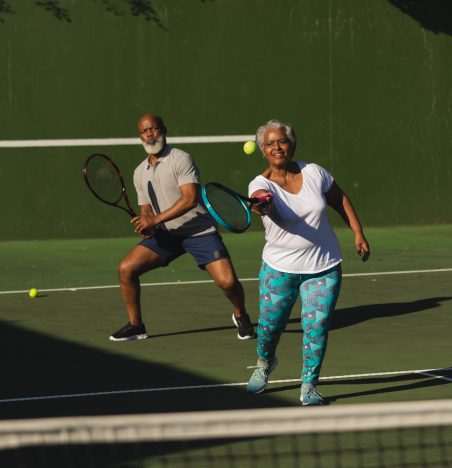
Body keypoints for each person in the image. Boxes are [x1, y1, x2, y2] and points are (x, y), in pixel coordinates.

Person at [245, 119, 370, 405]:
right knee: (269, 327)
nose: (277, 147)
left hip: (323, 268)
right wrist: (261, 204)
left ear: (292, 145)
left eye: (282, 141)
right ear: (263, 151)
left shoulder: (314, 172)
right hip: (279, 270)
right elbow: (260, 202)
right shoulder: (260, 184)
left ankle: (309, 386)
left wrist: (358, 232)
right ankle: (265, 364)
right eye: (270, 143)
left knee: (318, 327)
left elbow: (340, 199)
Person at [109, 114, 256, 342]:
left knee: (227, 282)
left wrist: (154, 220)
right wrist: (146, 225)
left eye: (154, 129)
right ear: (140, 136)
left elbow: (189, 199)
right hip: (166, 235)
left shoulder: (181, 159)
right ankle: (136, 326)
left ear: (163, 130)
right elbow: (146, 210)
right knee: (126, 269)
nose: (149, 134)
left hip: (199, 232)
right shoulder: (140, 173)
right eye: (144, 131)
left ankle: (241, 315)